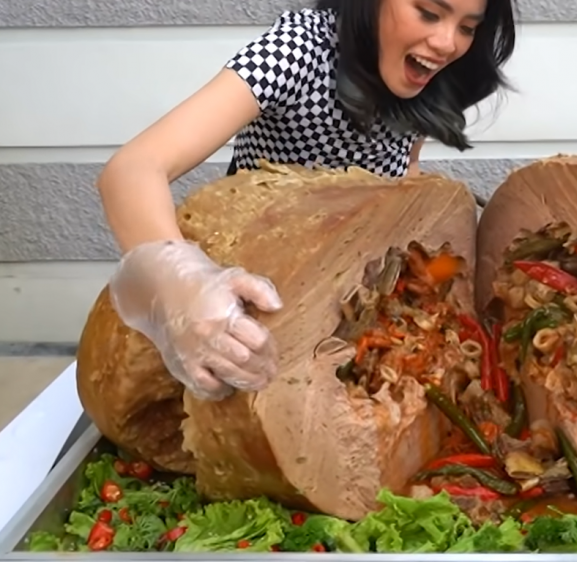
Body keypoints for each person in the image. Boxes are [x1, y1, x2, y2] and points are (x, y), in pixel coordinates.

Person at [96, 0, 516, 401]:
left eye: (467, 28)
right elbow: (132, 169)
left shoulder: (428, 74)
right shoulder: (299, 50)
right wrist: (182, 285)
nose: (447, 43)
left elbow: (405, 177)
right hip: (258, 314)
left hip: (351, 317)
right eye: (428, 13)